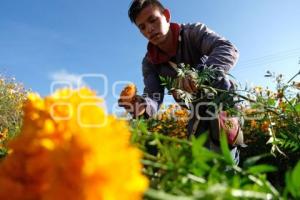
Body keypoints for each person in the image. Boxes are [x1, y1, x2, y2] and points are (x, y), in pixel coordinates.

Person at [119, 0, 241, 163]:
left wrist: (199, 74)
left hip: (222, 101)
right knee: (202, 164)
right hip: (196, 113)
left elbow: (227, 49)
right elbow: (153, 97)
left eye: (153, 20)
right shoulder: (149, 63)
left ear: (166, 16)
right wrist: (141, 106)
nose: (149, 29)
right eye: (142, 27)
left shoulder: (193, 33)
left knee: (226, 156)